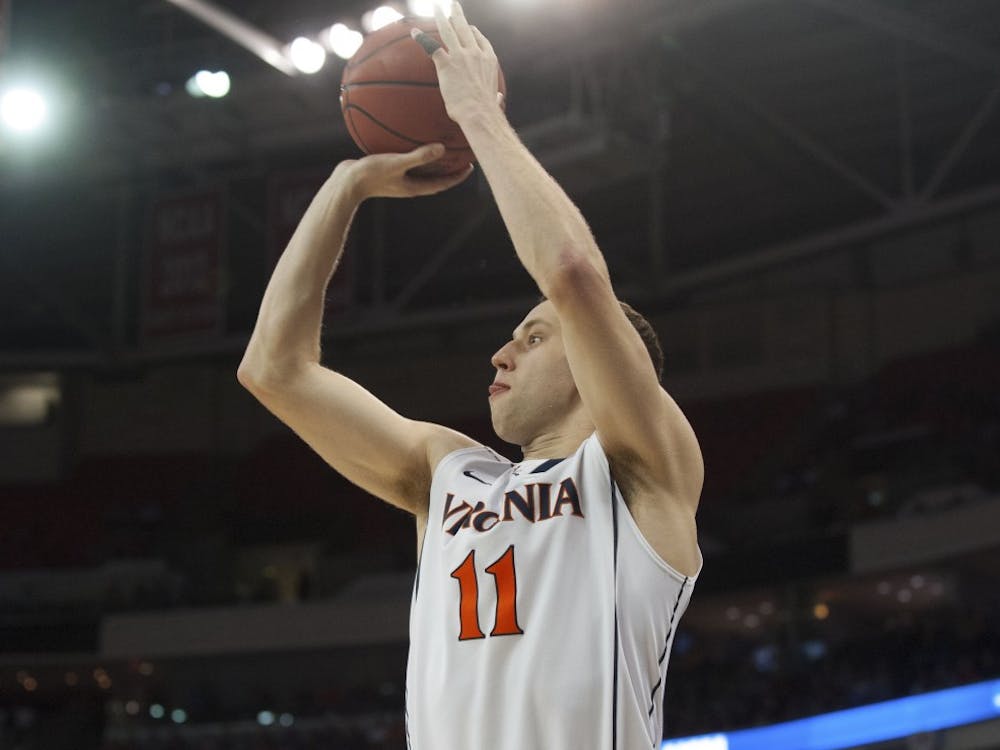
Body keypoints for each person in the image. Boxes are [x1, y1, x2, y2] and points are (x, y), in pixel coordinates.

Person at [237, 3, 703, 748]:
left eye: (534, 335)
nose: (501, 353)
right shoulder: (447, 475)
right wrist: (345, 187)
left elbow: (574, 273)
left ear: (602, 362)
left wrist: (478, 115)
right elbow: (274, 369)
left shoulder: (642, 470)